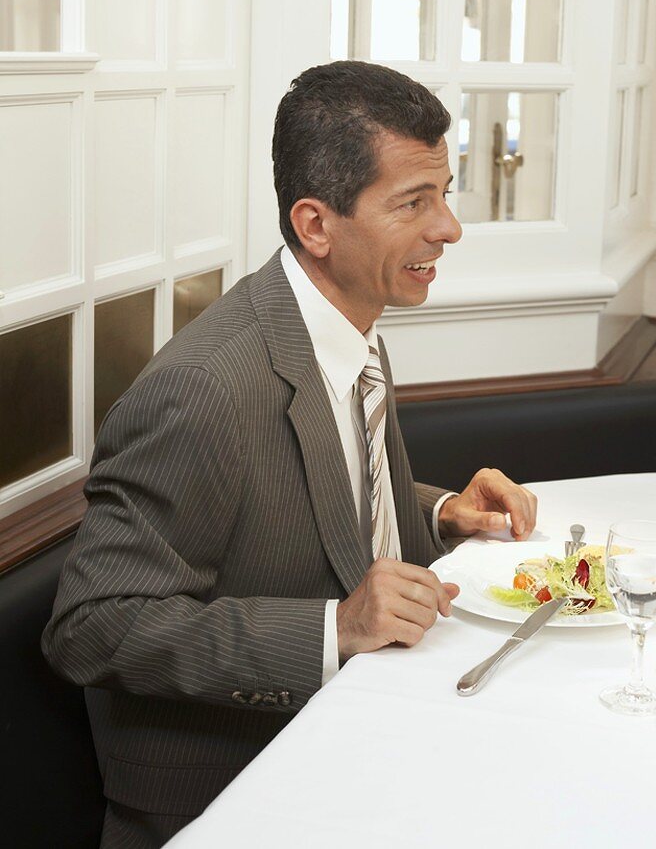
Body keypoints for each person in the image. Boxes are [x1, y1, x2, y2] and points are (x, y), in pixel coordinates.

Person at [43, 61, 537, 848]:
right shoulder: (204, 390)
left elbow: (321, 496)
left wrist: (440, 512)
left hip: (370, 739)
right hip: (238, 796)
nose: (448, 228)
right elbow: (94, 627)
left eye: (444, 193)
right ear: (316, 225)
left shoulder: (344, 324)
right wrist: (334, 629)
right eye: (414, 202)